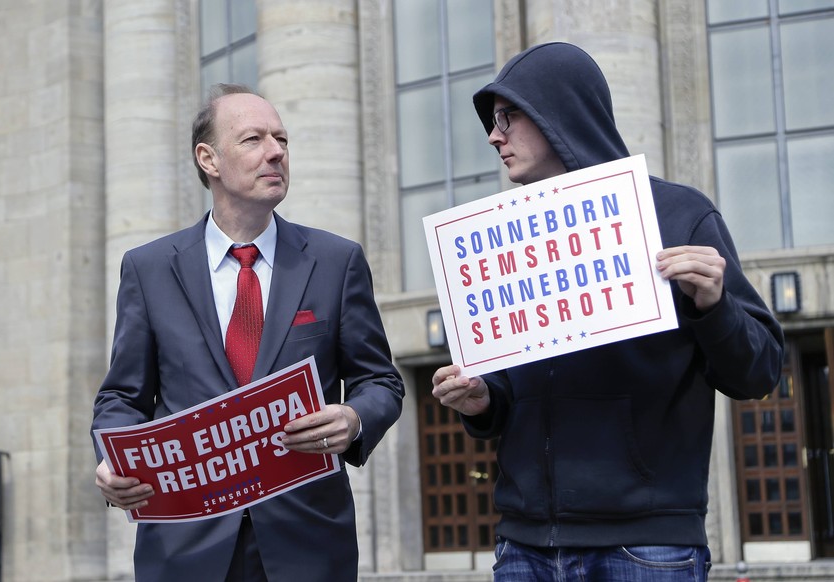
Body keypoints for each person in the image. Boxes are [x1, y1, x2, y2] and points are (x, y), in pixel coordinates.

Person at [432, 42, 784, 581]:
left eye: (508, 117)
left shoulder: (678, 214)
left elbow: (758, 371)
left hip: (645, 547)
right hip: (523, 547)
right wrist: (482, 399)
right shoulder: (502, 244)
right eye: (491, 122)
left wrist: (713, 306)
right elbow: (509, 387)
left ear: (560, 111)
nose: (493, 136)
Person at [91, 83, 404, 582]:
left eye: (281, 138)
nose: (276, 152)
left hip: (306, 545)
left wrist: (354, 417)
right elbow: (121, 396)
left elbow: (381, 382)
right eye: (253, 139)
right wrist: (114, 454)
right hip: (184, 545)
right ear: (208, 159)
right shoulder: (148, 270)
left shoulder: (335, 261)